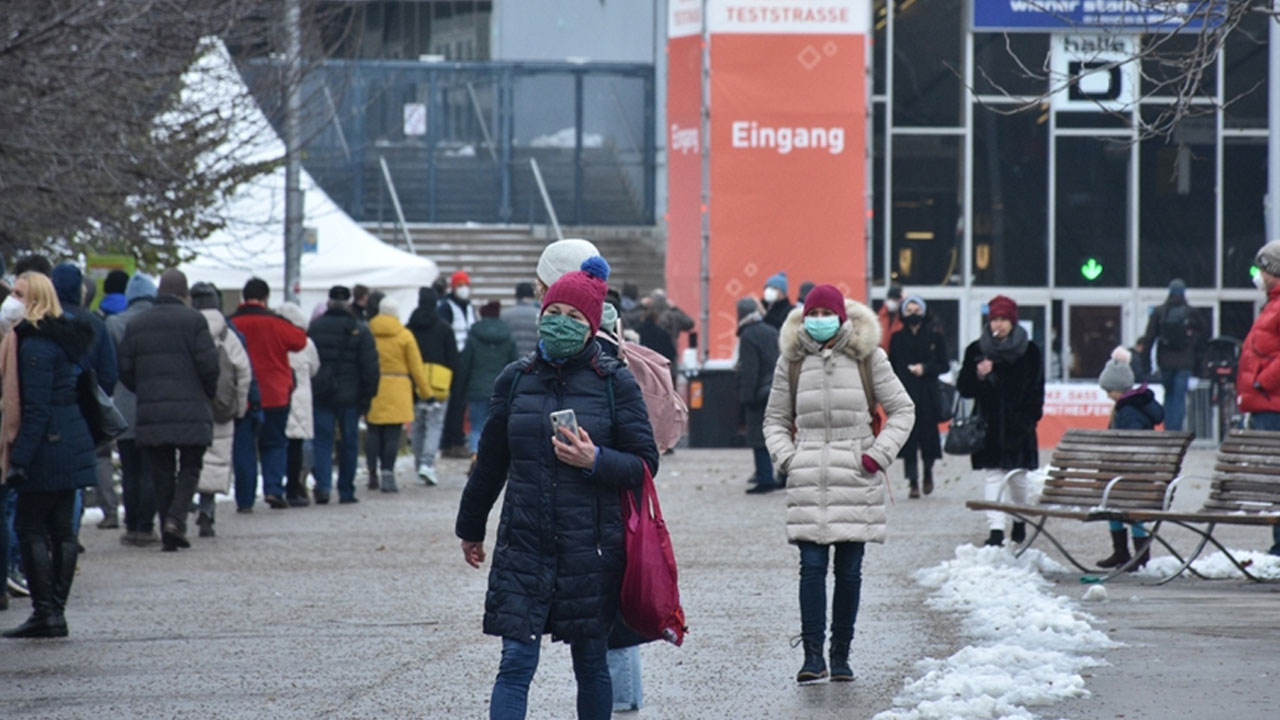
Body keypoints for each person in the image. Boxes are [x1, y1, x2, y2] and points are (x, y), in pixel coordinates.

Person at [456, 256, 659, 720]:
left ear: (591, 327)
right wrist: (470, 526)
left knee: (590, 664)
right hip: (524, 545)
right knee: (515, 664)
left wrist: (596, 460)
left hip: (590, 549)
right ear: (540, 314)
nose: (561, 324)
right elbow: (490, 463)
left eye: (573, 318)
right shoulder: (515, 379)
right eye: (554, 314)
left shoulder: (615, 383)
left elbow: (645, 464)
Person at [762, 284, 915, 683]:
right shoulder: (791, 361)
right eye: (811, 315)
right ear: (803, 318)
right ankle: (813, 657)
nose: (818, 322)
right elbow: (775, 420)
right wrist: (788, 458)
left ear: (842, 317)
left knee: (849, 571)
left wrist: (877, 456)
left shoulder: (869, 358)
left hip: (855, 474)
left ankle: (841, 655)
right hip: (808, 473)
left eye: (825, 314)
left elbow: (903, 409)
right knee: (811, 568)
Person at [0, 272, 98, 638]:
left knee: (30, 528)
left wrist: (20, 459)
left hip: (49, 446)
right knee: (62, 531)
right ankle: (54, 611)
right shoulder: (61, 339)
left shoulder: (34, 345)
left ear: (34, 298)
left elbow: (36, 409)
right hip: (71, 440)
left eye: (17, 293)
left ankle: (47, 611)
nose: (10, 299)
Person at [118, 270, 220, 551]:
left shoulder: (138, 324)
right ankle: (176, 520)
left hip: (152, 410)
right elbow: (209, 365)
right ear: (184, 294)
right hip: (192, 407)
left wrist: (146, 390)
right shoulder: (195, 320)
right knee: (190, 466)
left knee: (161, 470)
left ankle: (167, 528)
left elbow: (125, 368)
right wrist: (206, 393)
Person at [957, 295, 1045, 548]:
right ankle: (995, 529)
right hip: (990, 426)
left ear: (1013, 321)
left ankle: (1019, 519)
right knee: (993, 476)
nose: (999, 324)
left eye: (1004, 319)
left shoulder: (1030, 351)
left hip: (1020, 426)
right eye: (995, 319)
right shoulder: (977, 350)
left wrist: (1028, 421)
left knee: (1018, 477)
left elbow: (1036, 391)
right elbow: (964, 388)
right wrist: (978, 374)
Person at [51, 263, 119, 531]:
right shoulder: (95, 324)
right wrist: (97, 399)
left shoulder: (42, 321)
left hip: (50, 405)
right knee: (79, 473)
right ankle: (71, 534)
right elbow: (110, 372)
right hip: (85, 406)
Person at [229, 278, 307, 510]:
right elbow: (299, 341)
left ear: (244, 297)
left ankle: (244, 499)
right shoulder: (275, 323)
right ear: (266, 298)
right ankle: (273, 489)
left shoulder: (232, 323)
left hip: (242, 395)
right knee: (274, 443)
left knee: (244, 448)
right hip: (275, 393)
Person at [189, 283, 252, 538]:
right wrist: (240, 405)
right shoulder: (228, 334)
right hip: (221, 405)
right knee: (215, 458)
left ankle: (179, 511)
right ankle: (207, 510)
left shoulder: (186, 328)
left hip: (189, 404)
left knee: (187, 459)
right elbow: (244, 372)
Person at [308, 286, 379, 505]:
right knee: (349, 442)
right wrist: (368, 397)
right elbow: (370, 367)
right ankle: (346, 490)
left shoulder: (315, 328)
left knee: (322, 441)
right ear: (348, 303)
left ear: (328, 302)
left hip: (322, 392)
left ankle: (323, 486)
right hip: (350, 395)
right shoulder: (359, 329)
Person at [1096, 346, 1162, 569]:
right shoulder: (1128, 406)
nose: (1107, 395)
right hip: (1129, 473)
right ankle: (1123, 553)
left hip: (1135, 475)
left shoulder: (1129, 411)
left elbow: (1129, 445)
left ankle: (1140, 557)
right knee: (1113, 503)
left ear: (1120, 389)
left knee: (1128, 508)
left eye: (1109, 391)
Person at [105, 273, 158, 545]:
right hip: (154, 404)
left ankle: (131, 524)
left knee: (130, 469)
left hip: (124, 405)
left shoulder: (114, 323)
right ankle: (146, 525)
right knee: (151, 468)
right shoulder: (158, 322)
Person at [1235, 239, 1280, 556]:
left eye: (1262, 268)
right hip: (1265, 406)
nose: (1258, 275)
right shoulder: (1272, 304)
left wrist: (1262, 383)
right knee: (1274, 479)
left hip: (1273, 406)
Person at [367, 298, 432, 493]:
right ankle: (388, 473)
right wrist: (427, 393)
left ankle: (372, 473)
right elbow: (416, 368)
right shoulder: (405, 335)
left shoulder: (369, 332)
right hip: (398, 388)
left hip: (373, 386)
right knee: (392, 436)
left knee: (373, 432)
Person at [888, 296, 948, 499]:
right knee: (909, 440)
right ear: (903, 313)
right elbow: (891, 367)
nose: (913, 314)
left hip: (928, 394)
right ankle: (913, 482)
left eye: (916, 310)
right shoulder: (897, 338)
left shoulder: (934, 336)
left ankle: (928, 473)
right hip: (905, 394)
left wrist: (926, 368)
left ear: (923, 312)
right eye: (909, 310)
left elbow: (944, 364)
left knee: (929, 438)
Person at [1136, 279, 1205, 432]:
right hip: (1184, 362)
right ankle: (1177, 431)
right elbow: (1202, 332)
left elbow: (1149, 338)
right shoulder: (1191, 312)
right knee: (1179, 398)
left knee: (1168, 396)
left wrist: (1145, 364)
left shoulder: (1159, 312)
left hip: (1165, 361)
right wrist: (1192, 344)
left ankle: (1168, 429)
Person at [407, 287, 457, 485]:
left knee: (418, 425)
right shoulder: (444, 328)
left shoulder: (410, 326)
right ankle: (427, 464)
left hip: (414, 383)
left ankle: (419, 462)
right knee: (434, 425)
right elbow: (453, 358)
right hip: (438, 383)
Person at [457, 301, 518, 454]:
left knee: (476, 424)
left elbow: (465, 365)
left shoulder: (473, 336)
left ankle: (475, 454)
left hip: (476, 388)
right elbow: (514, 363)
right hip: (500, 389)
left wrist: (461, 388)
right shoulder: (508, 337)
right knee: (496, 425)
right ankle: (492, 454)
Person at [737, 297, 781, 494]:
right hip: (775, 389)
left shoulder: (748, 336)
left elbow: (750, 371)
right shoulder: (771, 330)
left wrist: (746, 398)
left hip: (758, 393)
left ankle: (765, 478)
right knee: (777, 435)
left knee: (758, 437)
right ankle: (784, 474)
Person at [279, 303, 320, 507]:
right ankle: (294, 488)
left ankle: (277, 486)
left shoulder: (275, 339)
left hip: (280, 394)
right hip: (301, 396)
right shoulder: (306, 343)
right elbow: (314, 368)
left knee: (278, 444)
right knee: (297, 446)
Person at [439, 270, 477, 458]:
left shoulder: (468, 306)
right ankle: (451, 441)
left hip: (466, 359)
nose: (463, 289)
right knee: (454, 403)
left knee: (461, 403)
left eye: (465, 285)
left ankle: (455, 439)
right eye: (459, 285)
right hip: (452, 360)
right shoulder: (446, 307)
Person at [501, 282, 540, 356]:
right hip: (533, 359)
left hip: (512, 359)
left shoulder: (505, 314)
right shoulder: (539, 314)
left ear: (517, 296)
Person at [877, 285, 904, 352]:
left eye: (896, 299)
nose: (893, 302)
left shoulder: (902, 317)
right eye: (892, 299)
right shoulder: (880, 316)